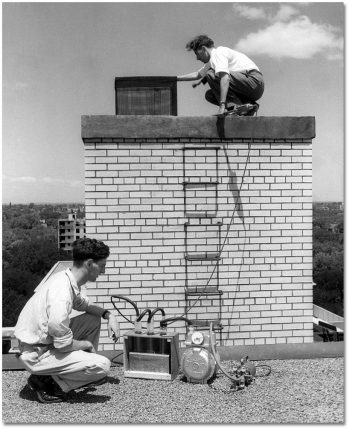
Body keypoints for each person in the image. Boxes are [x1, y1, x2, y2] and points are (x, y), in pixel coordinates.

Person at [14, 237, 120, 404]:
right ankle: (47, 382)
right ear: (90, 263)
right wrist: (86, 345)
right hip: (35, 354)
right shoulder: (61, 293)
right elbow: (62, 345)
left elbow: (83, 304)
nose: (103, 271)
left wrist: (109, 315)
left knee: (92, 319)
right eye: (102, 266)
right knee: (103, 365)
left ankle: (69, 370)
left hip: (44, 343)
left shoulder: (65, 278)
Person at [177, 35, 264, 117]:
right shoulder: (212, 61)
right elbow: (198, 74)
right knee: (210, 95)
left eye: (197, 54)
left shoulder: (218, 53)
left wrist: (222, 105)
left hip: (253, 80)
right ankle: (249, 106)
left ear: (203, 49)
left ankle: (233, 107)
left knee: (211, 74)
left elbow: (225, 78)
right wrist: (176, 79)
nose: (197, 58)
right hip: (249, 87)